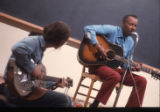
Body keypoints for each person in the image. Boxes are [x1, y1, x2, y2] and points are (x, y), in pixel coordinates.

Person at [3, 21, 73, 107]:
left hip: (23, 88)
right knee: (64, 100)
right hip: (14, 92)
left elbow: (33, 80)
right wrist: (32, 68)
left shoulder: (40, 49)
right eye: (65, 42)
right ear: (59, 40)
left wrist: (55, 84)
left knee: (68, 101)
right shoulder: (33, 41)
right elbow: (16, 48)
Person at [83, 14, 147, 107]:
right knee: (116, 76)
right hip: (97, 64)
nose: (133, 28)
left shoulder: (131, 42)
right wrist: (98, 47)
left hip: (113, 69)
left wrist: (133, 67)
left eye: (135, 25)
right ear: (123, 24)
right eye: (131, 24)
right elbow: (88, 29)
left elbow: (124, 65)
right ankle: (95, 104)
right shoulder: (112, 30)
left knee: (142, 81)